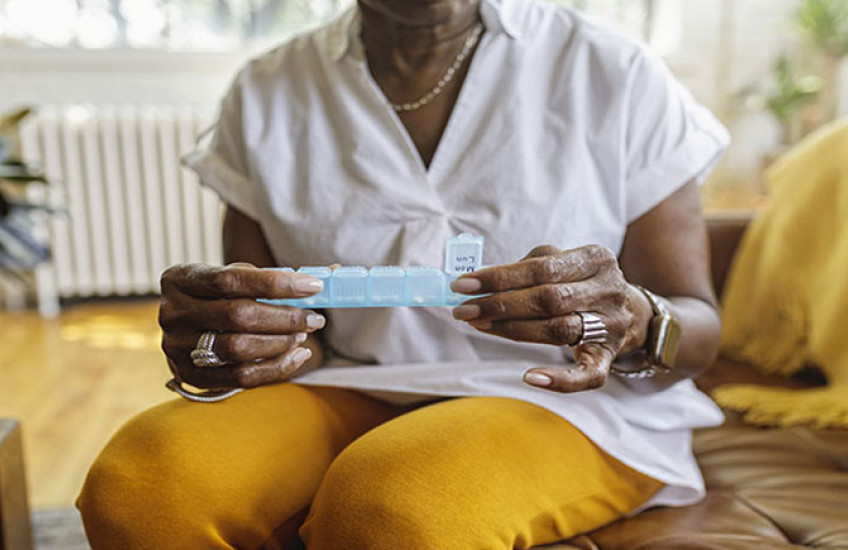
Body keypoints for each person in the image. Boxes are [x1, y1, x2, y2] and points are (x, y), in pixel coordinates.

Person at [77, 0, 730, 547]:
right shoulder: (268, 90)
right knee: (141, 488)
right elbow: (290, 335)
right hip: (348, 381)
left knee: (393, 506)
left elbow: (697, 324)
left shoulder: (612, 71)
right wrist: (229, 341)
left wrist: (637, 319)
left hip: (565, 402)